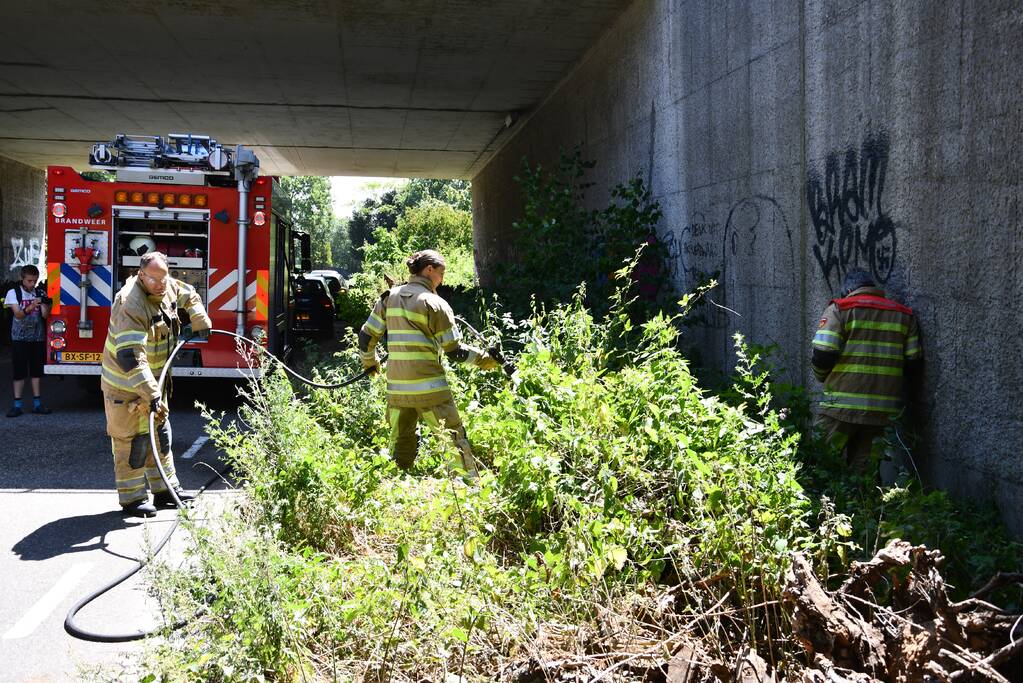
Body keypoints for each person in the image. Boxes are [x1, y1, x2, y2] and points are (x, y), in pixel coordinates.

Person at [358, 249, 501, 479]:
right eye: (441, 273)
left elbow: (365, 337)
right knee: (453, 439)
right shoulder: (436, 304)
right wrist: (486, 360)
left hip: (397, 389)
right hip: (431, 391)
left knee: (400, 440)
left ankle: (397, 482)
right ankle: (469, 489)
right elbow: (455, 351)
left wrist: (370, 363)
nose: (442, 279)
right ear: (429, 270)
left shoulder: (388, 298)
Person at [101, 252, 211, 517]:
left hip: (153, 382)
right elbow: (130, 356)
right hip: (126, 387)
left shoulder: (166, 284)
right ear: (141, 275)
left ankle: (165, 490)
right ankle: (132, 499)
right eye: (154, 279)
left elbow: (189, 294)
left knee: (159, 437)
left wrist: (199, 320)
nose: (161, 284)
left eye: (164, 277)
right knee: (132, 442)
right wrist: (151, 394)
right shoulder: (131, 302)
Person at [811, 269, 922, 471]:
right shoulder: (904, 315)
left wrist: (821, 378)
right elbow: (913, 363)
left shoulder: (840, 309)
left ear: (849, 290)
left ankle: (822, 502)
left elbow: (823, 354)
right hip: (881, 411)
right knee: (864, 474)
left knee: (821, 463)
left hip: (840, 409)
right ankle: (862, 501)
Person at [5, 264, 52, 417]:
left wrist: (45, 303)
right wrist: (31, 306)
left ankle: (37, 404)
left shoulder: (40, 292)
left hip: (37, 338)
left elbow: (45, 316)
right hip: (19, 338)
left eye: (35, 281)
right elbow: (18, 314)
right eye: (30, 281)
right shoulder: (14, 293)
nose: (33, 284)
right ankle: (17, 405)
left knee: (36, 372)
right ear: (22, 279)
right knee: (19, 371)